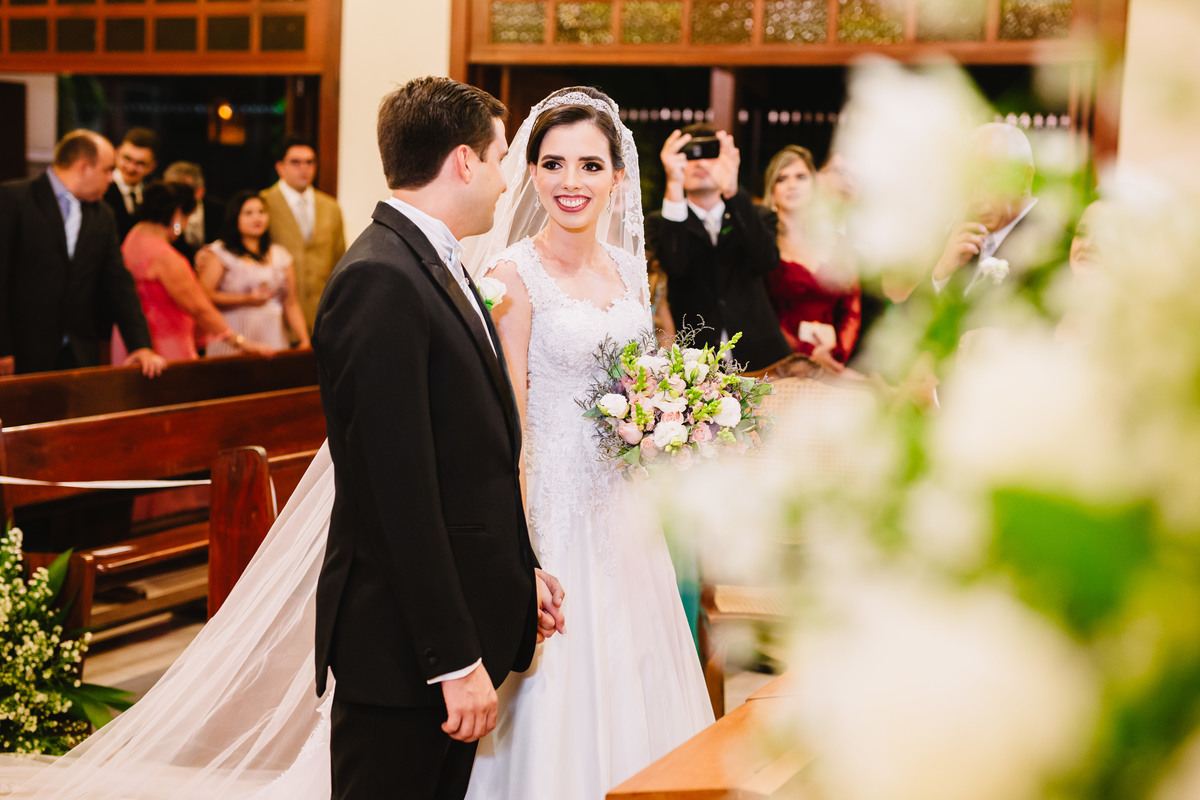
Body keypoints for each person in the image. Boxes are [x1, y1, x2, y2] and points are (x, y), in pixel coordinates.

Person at [462, 86, 714, 799]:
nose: (570, 183)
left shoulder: (627, 270)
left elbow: (640, 382)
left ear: (617, 177)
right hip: (553, 505)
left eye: (589, 166)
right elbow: (504, 424)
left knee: (639, 662)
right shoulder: (510, 276)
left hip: (624, 510)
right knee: (557, 677)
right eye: (553, 163)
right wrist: (518, 547)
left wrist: (676, 422)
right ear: (532, 173)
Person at [0, 129, 166, 377]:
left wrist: (140, 345)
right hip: (22, 352)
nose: (112, 178)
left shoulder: (103, 214)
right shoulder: (14, 199)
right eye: (108, 170)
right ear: (83, 167)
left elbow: (118, 282)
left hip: (79, 353)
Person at [644, 123, 791, 372]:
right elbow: (676, 266)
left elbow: (766, 260)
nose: (699, 163)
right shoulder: (662, 221)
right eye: (689, 155)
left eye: (710, 153)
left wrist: (732, 190)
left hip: (763, 355)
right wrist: (673, 187)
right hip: (695, 362)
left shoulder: (757, 215)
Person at [112, 181, 273, 362]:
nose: (184, 226)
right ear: (178, 214)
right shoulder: (164, 257)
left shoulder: (134, 237)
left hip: (131, 340)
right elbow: (198, 307)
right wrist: (239, 341)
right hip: (163, 345)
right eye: (187, 218)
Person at [762, 145, 861, 372]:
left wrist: (835, 356)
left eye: (800, 177)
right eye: (782, 179)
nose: (792, 185)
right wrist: (808, 355)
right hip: (779, 367)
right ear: (772, 189)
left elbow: (851, 308)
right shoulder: (765, 244)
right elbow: (761, 312)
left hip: (832, 366)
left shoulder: (837, 242)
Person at [196, 191, 310, 355]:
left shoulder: (280, 254)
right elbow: (204, 295)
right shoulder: (220, 252)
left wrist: (304, 339)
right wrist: (246, 299)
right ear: (235, 217)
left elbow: (291, 303)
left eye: (261, 212)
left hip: (272, 332)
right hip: (233, 332)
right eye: (249, 213)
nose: (257, 218)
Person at [260, 135, 347, 332]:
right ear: (280, 167)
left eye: (309, 162)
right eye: (295, 162)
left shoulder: (331, 207)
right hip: (277, 313)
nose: (304, 168)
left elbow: (339, 260)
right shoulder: (263, 203)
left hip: (323, 314)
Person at [103, 127, 160, 242]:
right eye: (127, 158)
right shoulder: (101, 189)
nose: (131, 168)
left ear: (152, 167)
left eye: (140, 163)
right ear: (117, 154)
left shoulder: (155, 196)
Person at [163, 161, 224, 263]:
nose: (175, 196)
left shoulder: (220, 211)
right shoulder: (163, 213)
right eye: (171, 190)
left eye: (182, 190)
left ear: (200, 191)